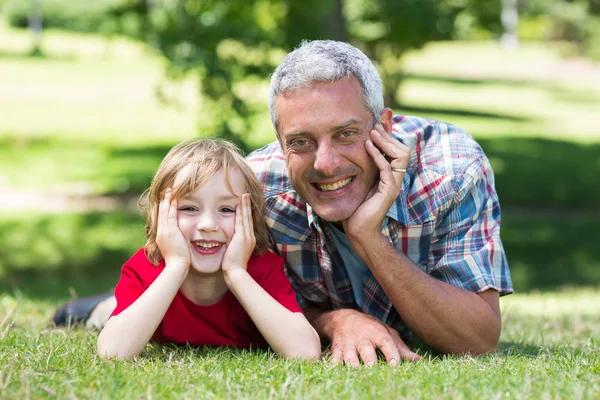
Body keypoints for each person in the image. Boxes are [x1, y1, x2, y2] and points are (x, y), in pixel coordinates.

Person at [55, 40, 512, 366]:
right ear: (279, 142)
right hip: (205, 306)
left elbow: (477, 341)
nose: (326, 163)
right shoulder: (256, 188)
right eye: (302, 141)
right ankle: (102, 308)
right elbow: (225, 290)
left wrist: (367, 235)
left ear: (384, 126)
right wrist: (336, 321)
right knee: (135, 307)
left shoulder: (452, 169)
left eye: (347, 134)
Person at [95, 138, 321, 360]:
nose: (208, 225)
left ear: (249, 216)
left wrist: (236, 273)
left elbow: (306, 352)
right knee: (100, 315)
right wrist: (175, 267)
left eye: (226, 209)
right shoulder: (147, 267)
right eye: (189, 208)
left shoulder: (263, 269)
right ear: (161, 214)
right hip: (126, 308)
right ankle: (96, 309)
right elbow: (111, 352)